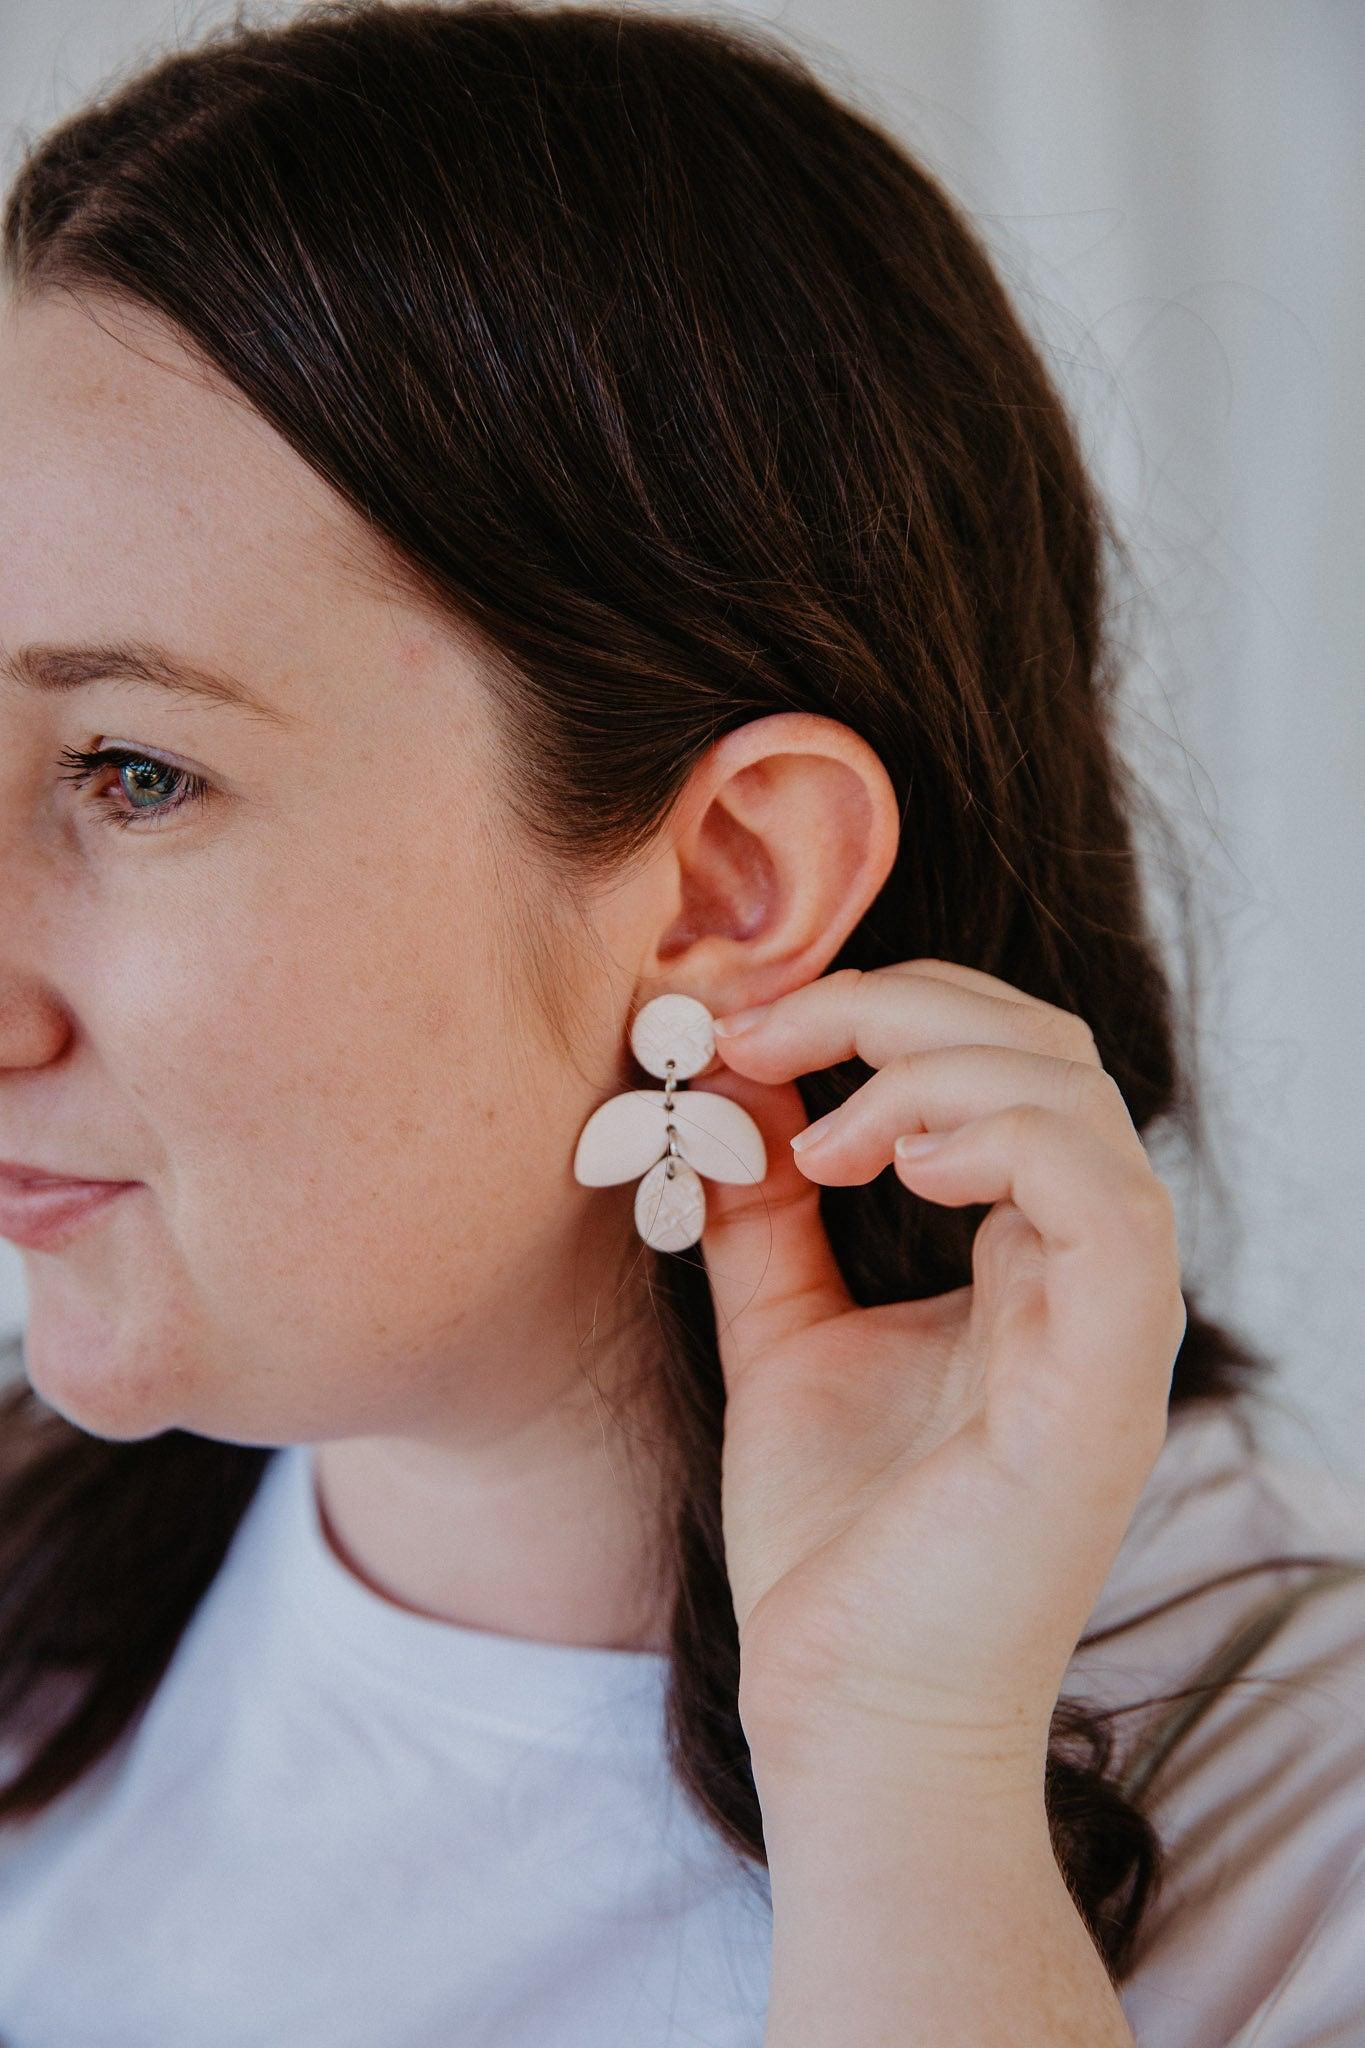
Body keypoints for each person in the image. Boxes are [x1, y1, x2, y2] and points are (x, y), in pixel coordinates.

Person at [0, 4, 1361, 2043]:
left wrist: (903, 1780)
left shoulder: (1298, 1822)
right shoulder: (46, 1613)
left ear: (727, 885)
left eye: (130, 773)